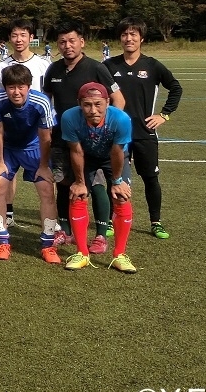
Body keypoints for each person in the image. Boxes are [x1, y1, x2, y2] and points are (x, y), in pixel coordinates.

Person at [42, 21, 124, 249]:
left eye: (72, 40)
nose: (67, 46)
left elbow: (118, 99)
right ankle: (65, 231)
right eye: (62, 42)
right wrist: (46, 127)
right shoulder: (54, 69)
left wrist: (109, 129)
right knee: (65, 184)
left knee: (95, 184)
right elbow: (46, 100)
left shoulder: (97, 68)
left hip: (92, 140)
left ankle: (100, 235)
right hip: (62, 139)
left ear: (82, 42)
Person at [105, 17, 182, 240]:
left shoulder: (152, 65)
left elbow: (175, 87)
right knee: (115, 178)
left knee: (150, 178)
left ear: (142, 38)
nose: (129, 38)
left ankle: (155, 222)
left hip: (145, 133)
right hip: (116, 134)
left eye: (133, 34)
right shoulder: (109, 66)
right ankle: (109, 220)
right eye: (124, 35)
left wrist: (164, 115)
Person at [0, 64, 61, 264]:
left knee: (47, 191)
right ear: (5, 87)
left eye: (21, 87)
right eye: (11, 87)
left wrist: (44, 166)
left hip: (34, 149)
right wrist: (0, 162)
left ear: (29, 86)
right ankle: (2, 241)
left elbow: (46, 138)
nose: (16, 92)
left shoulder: (41, 101)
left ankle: (48, 244)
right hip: (8, 150)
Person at [61, 83, 137, 273]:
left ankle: (119, 255)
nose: (93, 110)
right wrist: (79, 182)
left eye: (98, 104)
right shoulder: (69, 117)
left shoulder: (121, 119)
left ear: (107, 102)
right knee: (78, 195)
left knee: (121, 197)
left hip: (113, 157)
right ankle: (82, 254)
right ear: (79, 103)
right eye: (87, 105)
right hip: (86, 156)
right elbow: (76, 151)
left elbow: (118, 152)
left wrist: (117, 181)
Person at [0, 18, 51, 228]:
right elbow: (0, 95)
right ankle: (8, 212)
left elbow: (47, 96)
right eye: (14, 35)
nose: (18, 39)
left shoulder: (43, 64)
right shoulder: (2, 64)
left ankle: (54, 222)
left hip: (36, 128)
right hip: (11, 127)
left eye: (23, 35)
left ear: (31, 38)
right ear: (9, 38)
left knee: (46, 178)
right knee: (8, 173)